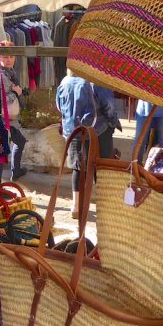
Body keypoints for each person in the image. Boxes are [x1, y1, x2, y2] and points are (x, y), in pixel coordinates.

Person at [56, 69, 99, 219]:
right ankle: (80, 205)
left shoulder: (63, 82)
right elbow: (91, 111)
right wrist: (84, 125)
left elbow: (59, 106)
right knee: (83, 168)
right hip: (82, 131)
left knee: (78, 166)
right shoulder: (85, 83)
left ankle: (76, 205)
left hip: (69, 130)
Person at [0, 43, 28, 188]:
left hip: (10, 118)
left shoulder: (10, 72)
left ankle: (15, 171)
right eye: (5, 56)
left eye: (11, 56)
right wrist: (16, 93)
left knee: (20, 142)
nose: (9, 59)